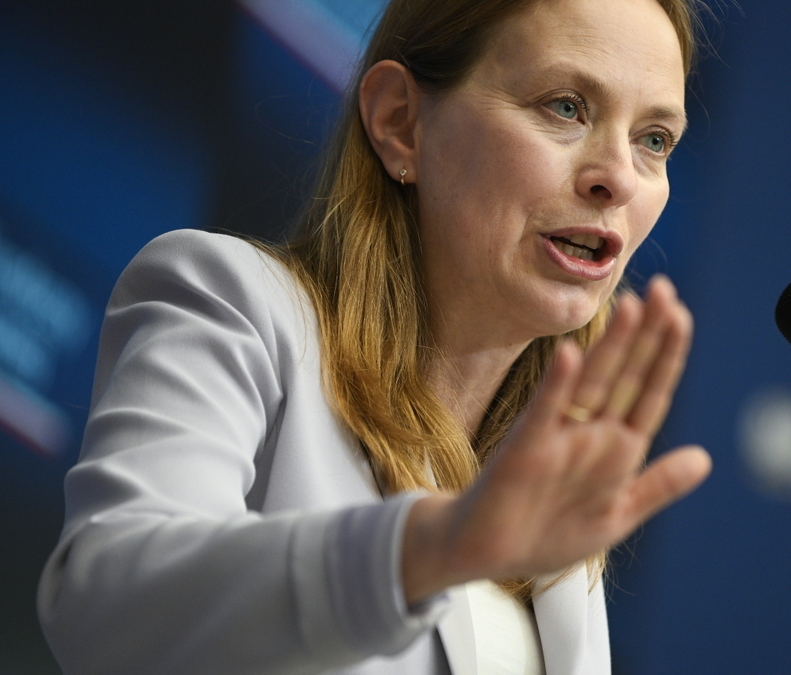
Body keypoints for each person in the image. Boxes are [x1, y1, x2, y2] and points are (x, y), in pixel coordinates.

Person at [36, 0, 711, 673]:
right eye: (566, 107)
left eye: (654, 140)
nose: (619, 177)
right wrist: (433, 546)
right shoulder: (231, 303)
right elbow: (106, 610)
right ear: (399, 121)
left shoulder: (548, 492)